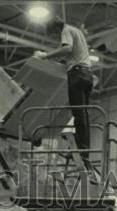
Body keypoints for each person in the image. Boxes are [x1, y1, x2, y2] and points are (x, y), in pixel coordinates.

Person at [36, 16, 96, 171]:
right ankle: (85, 151)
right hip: (87, 74)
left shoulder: (66, 30)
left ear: (56, 29)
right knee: (83, 114)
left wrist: (45, 56)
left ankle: (82, 151)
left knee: (78, 114)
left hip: (77, 75)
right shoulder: (77, 32)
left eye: (54, 35)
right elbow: (73, 53)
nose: (57, 38)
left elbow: (67, 48)